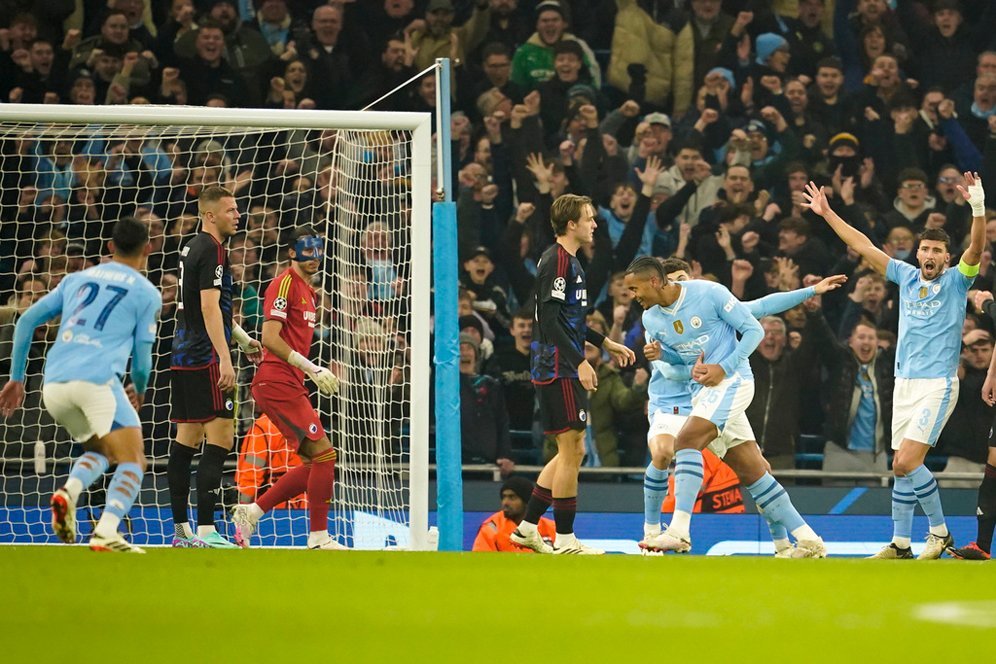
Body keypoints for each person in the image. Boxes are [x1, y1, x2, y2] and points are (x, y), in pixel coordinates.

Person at [801, 172, 986, 560]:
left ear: (946, 258)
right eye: (925, 249)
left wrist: (978, 209)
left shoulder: (957, 281)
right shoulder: (903, 276)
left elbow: (976, 249)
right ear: (916, 254)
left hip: (937, 384)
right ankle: (901, 543)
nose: (931, 255)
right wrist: (827, 213)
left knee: (906, 461)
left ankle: (939, 532)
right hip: (903, 383)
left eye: (938, 250)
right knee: (901, 469)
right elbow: (862, 244)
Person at [639, 257, 844, 556]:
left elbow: (762, 305)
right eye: (677, 278)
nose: (684, 284)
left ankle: (679, 531)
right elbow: (677, 365)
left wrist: (811, 290)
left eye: (686, 277)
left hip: (722, 389)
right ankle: (808, 539)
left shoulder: (709, 299)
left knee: (686, 442)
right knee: (755, 471)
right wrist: (666, 356)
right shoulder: (657, 319)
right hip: (691, 398)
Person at [0, 217, 161, 553]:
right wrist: (139, 389)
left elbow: (26, 320)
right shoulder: (146, 292)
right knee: (133, 459)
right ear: (148, 249)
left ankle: (68, 493)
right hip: (97, 381)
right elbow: (143, 358)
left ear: (109, 247)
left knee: (100, 450)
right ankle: (107, 529)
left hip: (53, 385)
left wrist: (16, 377)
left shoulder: (75, 279)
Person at [510, 193, 635, 555]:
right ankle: (564, 539)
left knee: (572, 449)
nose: (595, 224)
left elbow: (569, 320)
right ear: (571, 224)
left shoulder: (570, 262)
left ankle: (529, 527)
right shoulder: (556, 262)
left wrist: (605, 343)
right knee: (571, 449)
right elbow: (548, 319)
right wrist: (579, 361)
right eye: (590, 218)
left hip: (558, 363)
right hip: (556, 367)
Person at [231, 226, 345, 551]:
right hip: (277, 380)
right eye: (306, 251)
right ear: (292, 253)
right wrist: (312, 368)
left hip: (288, 381)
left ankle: (251, 512)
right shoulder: (283, 284)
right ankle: (319, 537)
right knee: (325, 456)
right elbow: (269, 338)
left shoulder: (310, 292)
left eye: (318, 250)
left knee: (313, 462)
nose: (314, 257)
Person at [168, 185, 262, 549]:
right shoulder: (214, 251)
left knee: (187, 439)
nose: (237, 215)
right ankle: (207, 530)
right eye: (230, 210)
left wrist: (240, 340)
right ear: (210, 215)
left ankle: (181, 533)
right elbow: (209, 308)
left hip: (183, 354)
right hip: (205, 357)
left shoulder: (192, 246)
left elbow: (207, 306)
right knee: (221, 437)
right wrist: (225, 357)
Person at [472, 476, 556, 552]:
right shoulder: (492, 527)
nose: (505, 502)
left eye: (512, 497)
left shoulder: (550, 528)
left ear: (527, 502)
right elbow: (480, 562)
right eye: (504, 497)